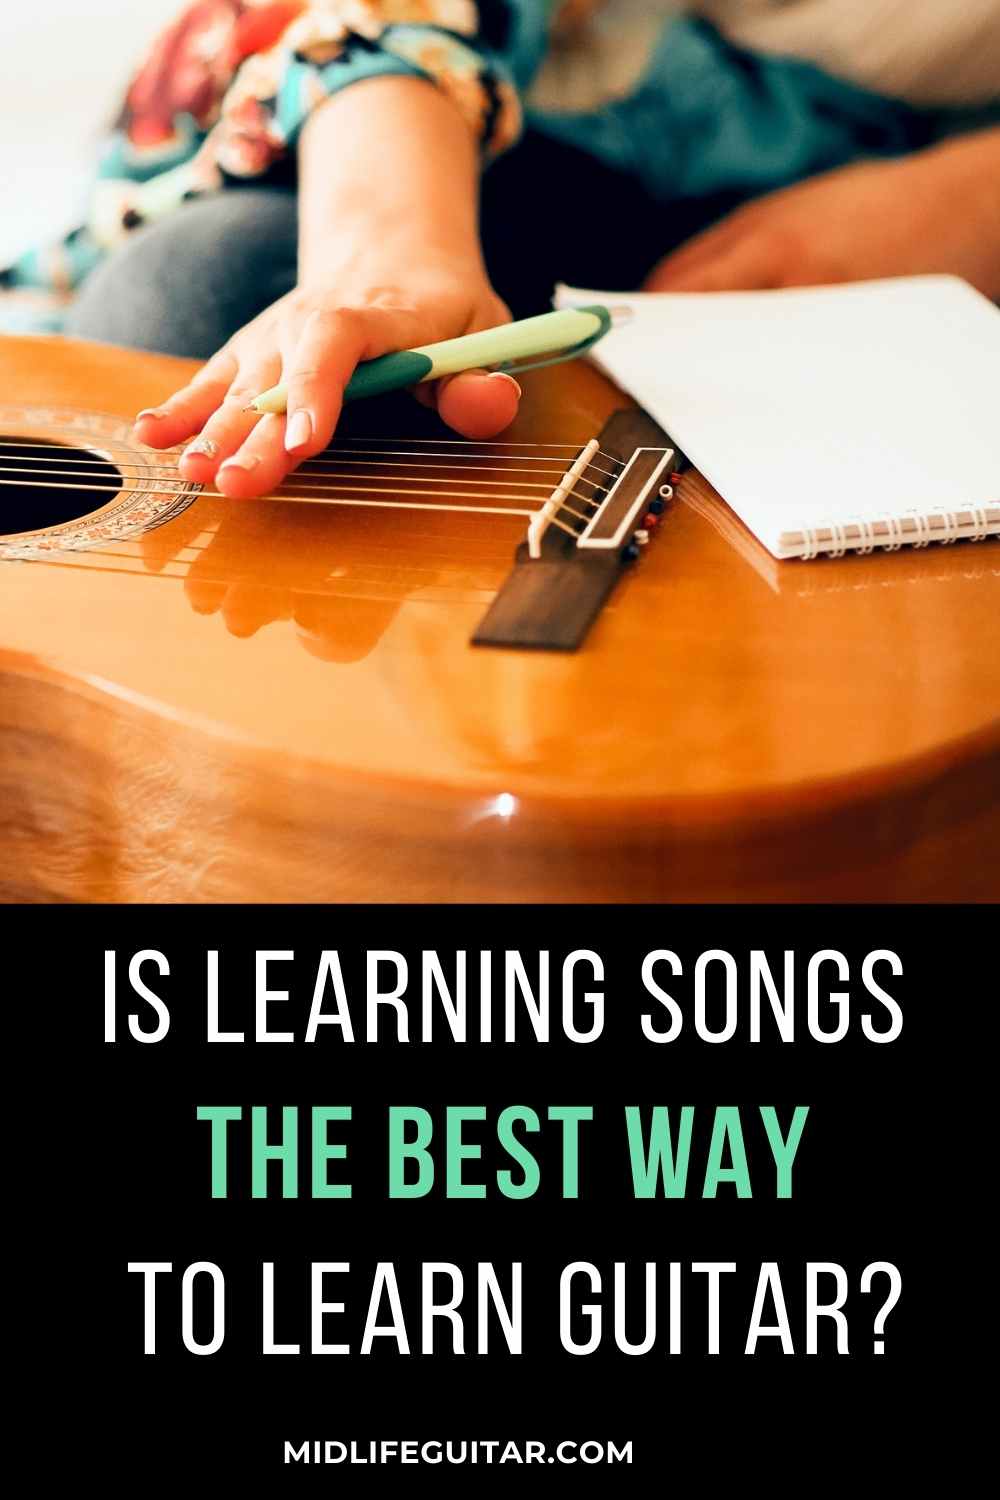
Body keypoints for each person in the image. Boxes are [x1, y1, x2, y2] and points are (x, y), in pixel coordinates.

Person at [3, 0, 997, 502]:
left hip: (913, 189)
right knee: (196, 306)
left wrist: (970, 192)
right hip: (461, 129)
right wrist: (385, 251)